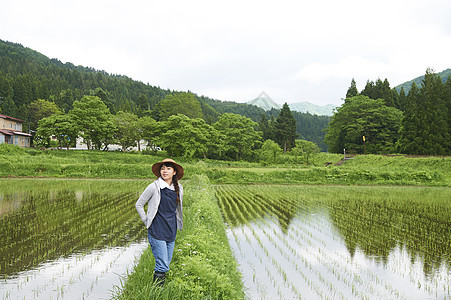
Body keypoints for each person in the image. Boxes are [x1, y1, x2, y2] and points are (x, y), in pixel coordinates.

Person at [135, 158, 184, 286]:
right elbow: (139, 204)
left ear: (174, 172)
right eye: (162, 168)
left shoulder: (179, 188)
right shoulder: (154, 187)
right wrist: (146, 221)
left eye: (168, 168)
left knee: (166, 263)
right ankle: (157, 292)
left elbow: (177, 209)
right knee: (162, 265)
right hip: (157, 229)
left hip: (171, 229)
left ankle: (159, 291)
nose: (165, 171)